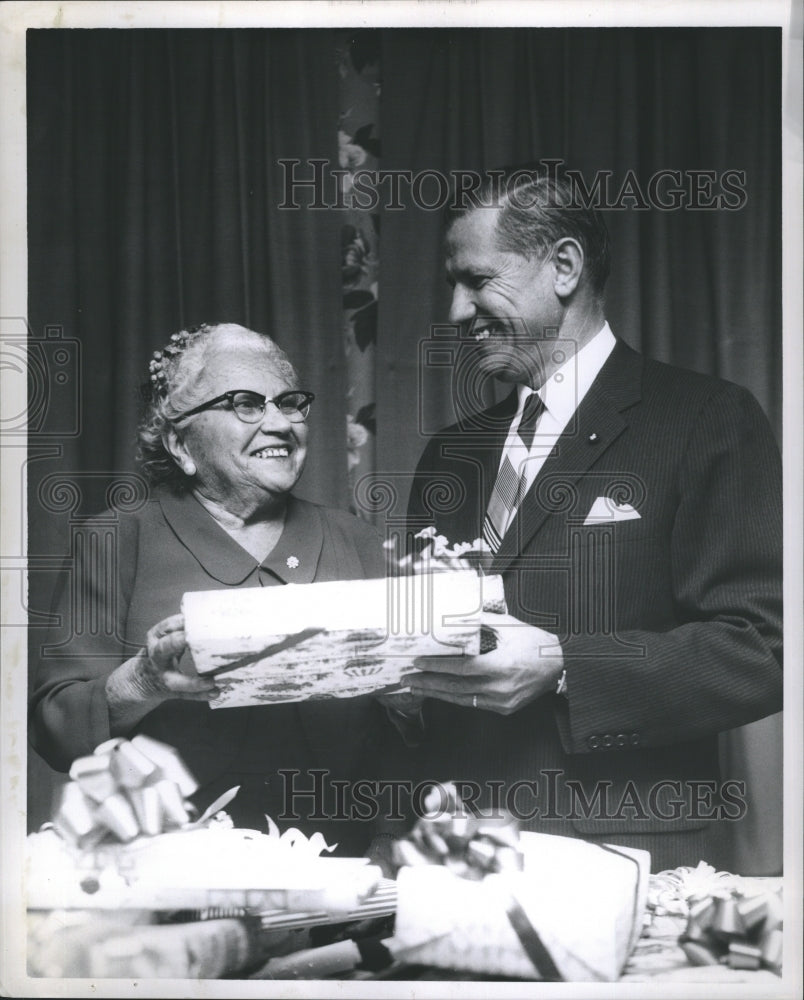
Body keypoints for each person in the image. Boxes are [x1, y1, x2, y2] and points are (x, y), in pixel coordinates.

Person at [399, 167, 783, 872]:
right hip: (451, 852)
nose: (457, 310)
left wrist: (564, 666)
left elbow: (762, 651)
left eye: (477, 280)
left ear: (565, 267)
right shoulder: (449, 456)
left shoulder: (707, 421)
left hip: (621, 852)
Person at [30, 322, 387, 854]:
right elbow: (56, 728)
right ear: (180, 443)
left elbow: (402, 735)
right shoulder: (119, 537)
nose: (279, 423)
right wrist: (143, 681)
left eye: (289, 403)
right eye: (245, 404)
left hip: (341, 865)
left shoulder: (356, 540)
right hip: (172, 870)